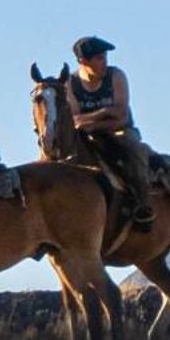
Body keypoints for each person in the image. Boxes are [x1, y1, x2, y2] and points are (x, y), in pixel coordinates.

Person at [68, 35, 156, 231]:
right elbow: (74, 121)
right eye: (99, 58)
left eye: (104, 57)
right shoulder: (71, 85)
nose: (105, 62)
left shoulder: (115, 76)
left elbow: (121, 115)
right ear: (83, 61)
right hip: (87, 138)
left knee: (135, 153)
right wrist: (106, 112)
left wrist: (90, 122)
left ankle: (143, 204)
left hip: (121, 132)